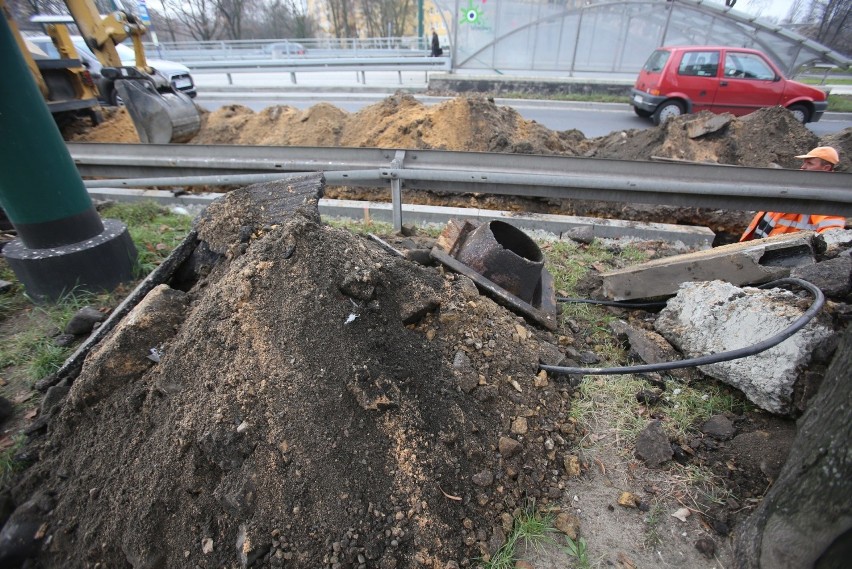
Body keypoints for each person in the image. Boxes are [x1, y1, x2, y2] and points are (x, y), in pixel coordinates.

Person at [739, 146, 845, 241]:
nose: (803, 167)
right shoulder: (801, 187)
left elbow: (832, 231)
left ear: (825, 168)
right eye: (804, 162)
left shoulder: (825, 194)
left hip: (788, 256)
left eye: (809, 163)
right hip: (764, 249)